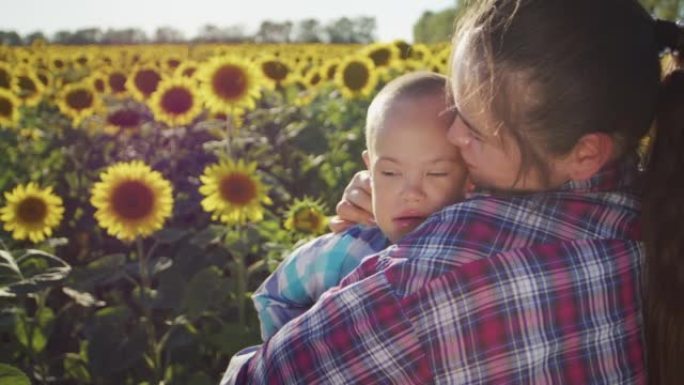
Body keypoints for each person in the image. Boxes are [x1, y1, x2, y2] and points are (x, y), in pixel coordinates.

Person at [222, 0, 684, 383]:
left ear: (585, 154)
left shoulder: (434, 276)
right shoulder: (657, 210)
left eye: (478, 130)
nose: (453, 134)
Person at [252, 71, 469, 341]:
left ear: (469, 177)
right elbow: (274, 296)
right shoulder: (344, 254)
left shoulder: (476, 255)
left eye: (437, 173)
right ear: (369, 170)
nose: (411, 193)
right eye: (390, 173)